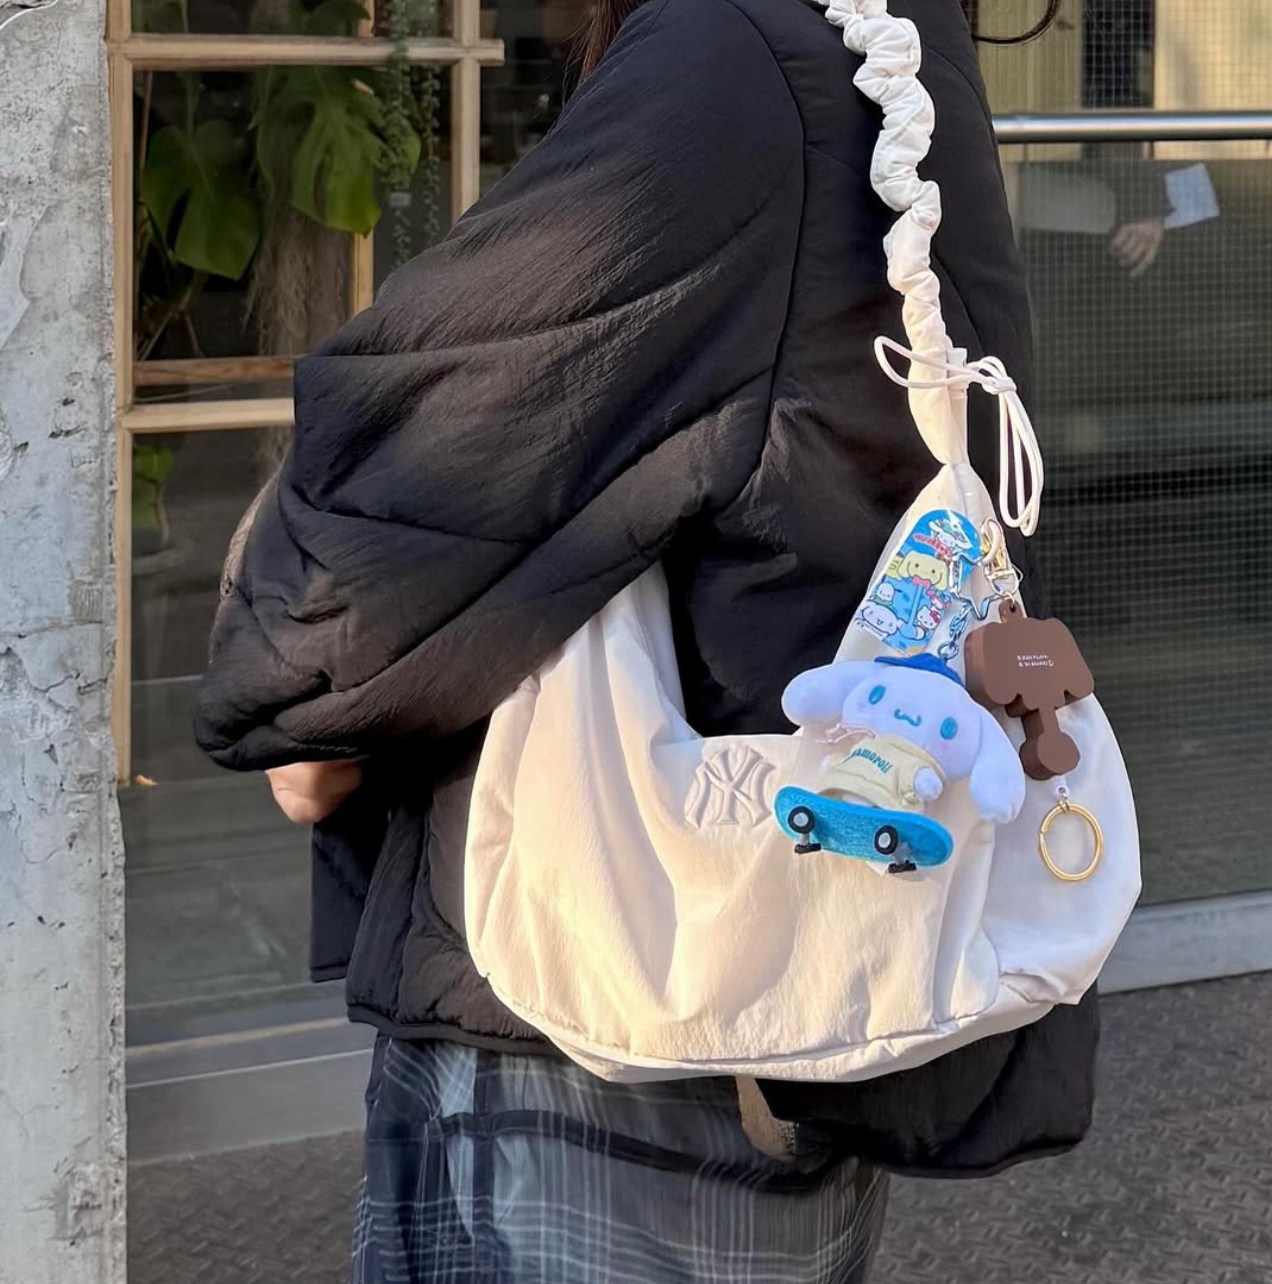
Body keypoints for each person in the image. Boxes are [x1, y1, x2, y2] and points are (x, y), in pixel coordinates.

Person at [197, 1, 1093, 1280]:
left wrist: (293, 679)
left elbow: (432, 449)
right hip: (772, 950)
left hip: (606, 1016)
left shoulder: (739, 57)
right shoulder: (884, 40)